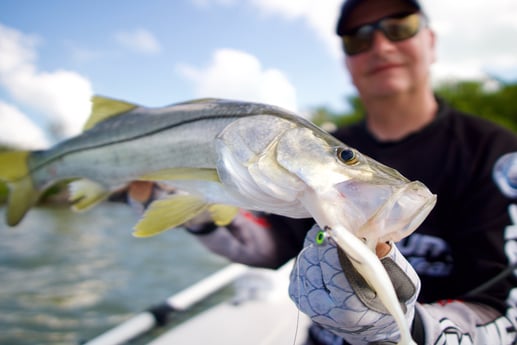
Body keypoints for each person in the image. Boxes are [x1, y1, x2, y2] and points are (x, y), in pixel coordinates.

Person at [126, 0, 517, 343]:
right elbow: (272, 245)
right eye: (357, 38)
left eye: (400, 27)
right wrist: (199, 212)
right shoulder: (321, 148)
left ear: (430, 41)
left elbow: (505, 311)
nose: (380, 45)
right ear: (346, 62)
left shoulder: (496, 152)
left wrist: (410, 330)